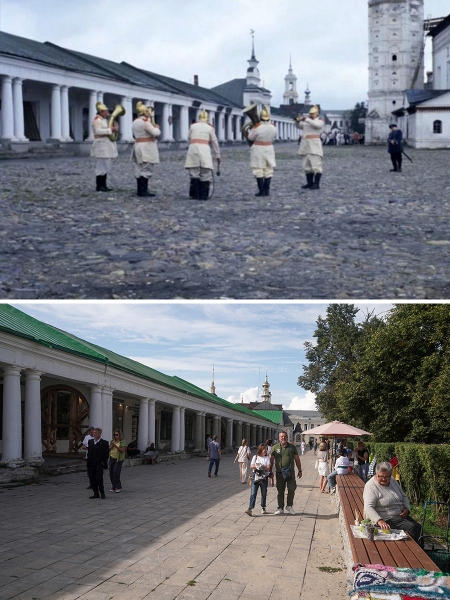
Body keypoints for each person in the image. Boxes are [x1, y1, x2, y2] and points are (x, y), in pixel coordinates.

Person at [363, 462, 421, 542]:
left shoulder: (393, 480)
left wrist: (407, 509)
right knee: (412, 527)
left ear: (390, 475)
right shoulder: (371, 486)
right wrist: (380, 521)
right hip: (386, 519)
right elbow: (368, 508)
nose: (384, 479)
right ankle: (416, 551)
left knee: (418, 527)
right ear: (376, 474)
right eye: (381, 476)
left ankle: (421, 551)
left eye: (387, 476)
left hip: (401, 516)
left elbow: (404, 496)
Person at [185, 109, 221, 200]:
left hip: (193, 149)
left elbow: (189, 138)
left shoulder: (193, 126)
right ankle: (204, 195)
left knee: (194, 172)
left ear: (199, 118)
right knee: (206, 172)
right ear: (207, 119)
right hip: (204, 149)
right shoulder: (210, 128)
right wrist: (217, 155)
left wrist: (192, 145)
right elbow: (214, 142)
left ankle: (195, 194)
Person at [246, 105, 277, 197]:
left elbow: (250, 137)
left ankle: (261, 190)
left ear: (260, 117)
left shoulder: (257, 127)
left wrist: (252, 129)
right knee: (268, 169)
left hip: (258, 149)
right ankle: (267, 190)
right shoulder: (273, 127)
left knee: (258, 170)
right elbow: (274, 137)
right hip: (269, 148)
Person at [131, 101, 161, 197]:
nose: (149, 113)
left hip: (138, 145)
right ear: (144, 112)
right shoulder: (145, 121)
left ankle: (140, 190)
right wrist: (157, 128)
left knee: (139, 168)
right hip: (146, 147)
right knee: (146, 167)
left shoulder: (135, 121)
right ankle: (143, 191)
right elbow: (155, 133)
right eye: (148, 111)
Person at [270, 431, 302, 515]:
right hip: (279, 472)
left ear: (287, 437)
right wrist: (270, 471)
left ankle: (289, 506)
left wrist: (300, 470)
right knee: (280, 490)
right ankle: (280, 507)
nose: (283, 438)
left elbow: (297, 459)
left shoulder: (292, 447)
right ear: (279, 438)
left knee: (292, 488)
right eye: (282, 436)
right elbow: (271, 459)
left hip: (290, 472)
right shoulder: (275, 447)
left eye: (285, 436)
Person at [90, 101, 118, 192]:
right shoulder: (96, 120)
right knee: (101, 165)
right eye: (106, 111)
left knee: (106, 165)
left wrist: (112, 130)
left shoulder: (104, 120)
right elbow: (98, 131)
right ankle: (99, 185)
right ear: (101, 111)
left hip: (106, 145)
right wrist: (110, 130)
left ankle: (103, 185)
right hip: (101, 145)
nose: (107, 113)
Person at [296, 105, 325, 190]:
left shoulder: (319, 121)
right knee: (307, 166)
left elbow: (317, 126)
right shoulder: (307, 122)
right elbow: (299, 126)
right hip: (305, 146)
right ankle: (309, 182)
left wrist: (307, 119)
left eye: (312, 114)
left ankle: (316, 184)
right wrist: (297, 121)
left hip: (314, 147)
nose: (311, 115)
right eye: (310, 113)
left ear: (317, 114)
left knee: (316, 166)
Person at [245, 444, 272, 516]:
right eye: (264, 449)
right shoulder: (255, 457)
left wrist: (260, 467)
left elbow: (268, 467)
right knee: (253, 493)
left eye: (266, 449)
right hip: (255, 476)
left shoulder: (267, 458)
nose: (266, 450)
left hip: (264, 477)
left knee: (264, 493)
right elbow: (251, 466)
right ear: (260, 450)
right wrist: (261, 467)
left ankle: (263, 506)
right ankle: (250, 508)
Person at [86, 427, 109, 499]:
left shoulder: (104, 443)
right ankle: (95, 493)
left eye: (95, 433)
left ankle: (102, 492)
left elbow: (106, 454)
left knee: (99, 478)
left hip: (99, 463)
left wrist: (103, 462)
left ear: (99, 434)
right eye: (93, 433)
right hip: (91, 464)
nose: (94, 434)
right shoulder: (91, 442)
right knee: (92, 478)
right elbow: (89, 452)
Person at [109, 429, 126, 493]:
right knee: (111, 472)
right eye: (114, 434)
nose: (115, 436)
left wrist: (116, 446)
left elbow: (122, 450)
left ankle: (118, 486)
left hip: (119, 459)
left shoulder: (122, 442)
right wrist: (111, 446)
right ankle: (114, 485)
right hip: (112, 457)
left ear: (119, 435)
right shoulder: (112, 441)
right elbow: (108, 448)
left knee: (115, 472)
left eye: (116, 435)